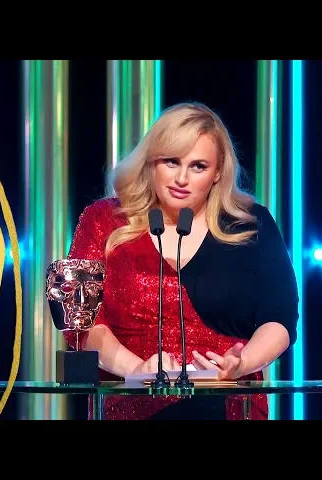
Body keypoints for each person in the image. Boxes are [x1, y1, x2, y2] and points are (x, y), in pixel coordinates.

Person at [64, 102, 299, 420]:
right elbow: (82, 322)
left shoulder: (250, 225)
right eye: (172, 161)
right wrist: (137, 369)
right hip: (131, 403)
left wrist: (242, 363)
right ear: (151, 161)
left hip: (229, 403)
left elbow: (280, 317)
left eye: (198, 166)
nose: (182, 178)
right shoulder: (104, 220)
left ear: (217, 173)